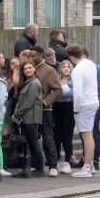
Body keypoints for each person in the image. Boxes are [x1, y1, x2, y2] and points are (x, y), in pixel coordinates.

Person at [30, 46, 63, 177]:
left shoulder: (49, 70)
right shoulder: (29, 69)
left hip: (45, 109)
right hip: (30, 110)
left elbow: (58, 90)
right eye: (29, 56)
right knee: (32, 138)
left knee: (47, 136)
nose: (31, 58)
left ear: (41, 56)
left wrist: (46, 102)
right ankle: (37, 165)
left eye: (33, 56)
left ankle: (53, 165)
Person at [67, 45, 99, 178]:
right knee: (89, 134)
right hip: (93, 101)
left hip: (84, 104)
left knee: (86, 135)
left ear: (71, 57)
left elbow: (78, 92)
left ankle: (86, 168)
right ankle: (90, 165)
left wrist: (76, 109)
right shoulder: (90, 64)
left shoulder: (77, 70)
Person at [12, 60, 45, 178]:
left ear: (34, 69)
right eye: (25, 68)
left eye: (30, 68)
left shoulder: (35, 83)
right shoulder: (27, 83)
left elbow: (28, 102)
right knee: (27, 144)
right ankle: (26, 169)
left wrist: (17, 114)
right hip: (25, 118)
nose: (27, 70)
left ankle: (40, 169)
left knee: (34, 143)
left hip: (31, 118)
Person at [52, 59, 76, 174]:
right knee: (56, 136)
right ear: (60, 69)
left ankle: (67, 161)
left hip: (68, 109)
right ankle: (56, 161)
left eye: (68, 67)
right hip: (56, 109)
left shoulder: (73, 81)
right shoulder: (56, 80)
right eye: (64, 67)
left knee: (67, 138)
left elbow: (73, 94)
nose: (66, 68)